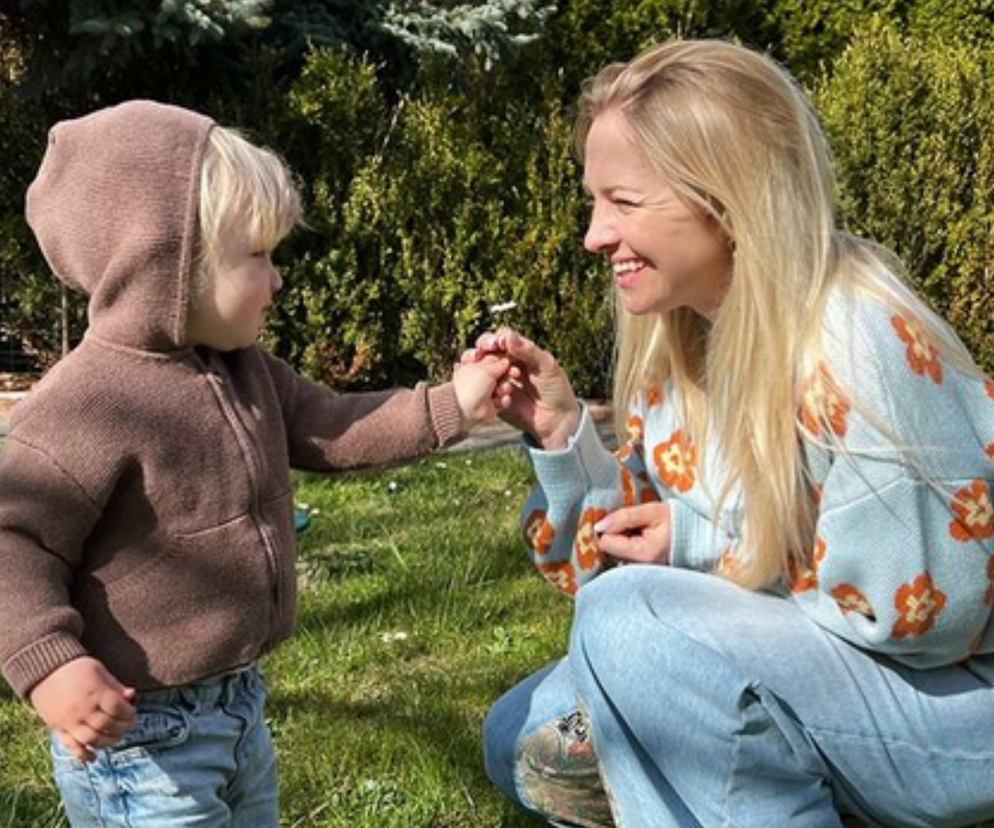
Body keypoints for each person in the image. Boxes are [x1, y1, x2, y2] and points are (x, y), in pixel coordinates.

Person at [473, 39, 994, 828]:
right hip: (831, 677)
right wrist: (560, 433)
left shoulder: (856, 339)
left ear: (724, 194)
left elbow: (924, 618)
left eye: (623, 201)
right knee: (524, 730)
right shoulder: (681, 343)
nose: (593, 235)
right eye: (593, 200)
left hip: (955, 708)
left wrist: (704, 545)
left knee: (629, 631)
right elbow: (623, 576)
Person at [0, 99, 509, 828]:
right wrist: (49, 664)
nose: (275, 280)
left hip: (235, 705)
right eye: (257, 255)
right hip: (139, 736)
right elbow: (14, 539)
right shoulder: (87, 403)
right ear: (168, 261)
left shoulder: (247, 371)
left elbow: (333, 424)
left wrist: (452, 404)